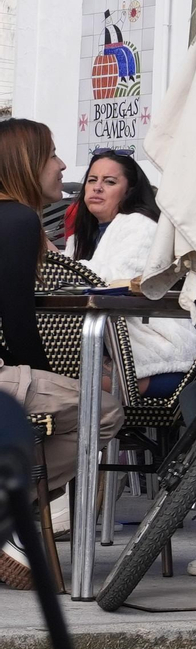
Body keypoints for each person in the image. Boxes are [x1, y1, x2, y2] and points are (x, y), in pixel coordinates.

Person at [0, 119, 120, 589]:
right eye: (52, 154)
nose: (63, 164)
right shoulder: (17, 219)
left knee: (64, 409)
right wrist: (43, 377)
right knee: (103, 410)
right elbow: (18, 320)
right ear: (27, 165)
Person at [66, 152, 196, 397]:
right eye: (92, 180)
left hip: (154, 354)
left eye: (109, 182)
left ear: (129, 191)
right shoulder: (80, 238)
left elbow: (115, 283)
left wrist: (57, 261)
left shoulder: (141, 224)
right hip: (106, 346)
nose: (97, 188)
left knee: (61, 379)